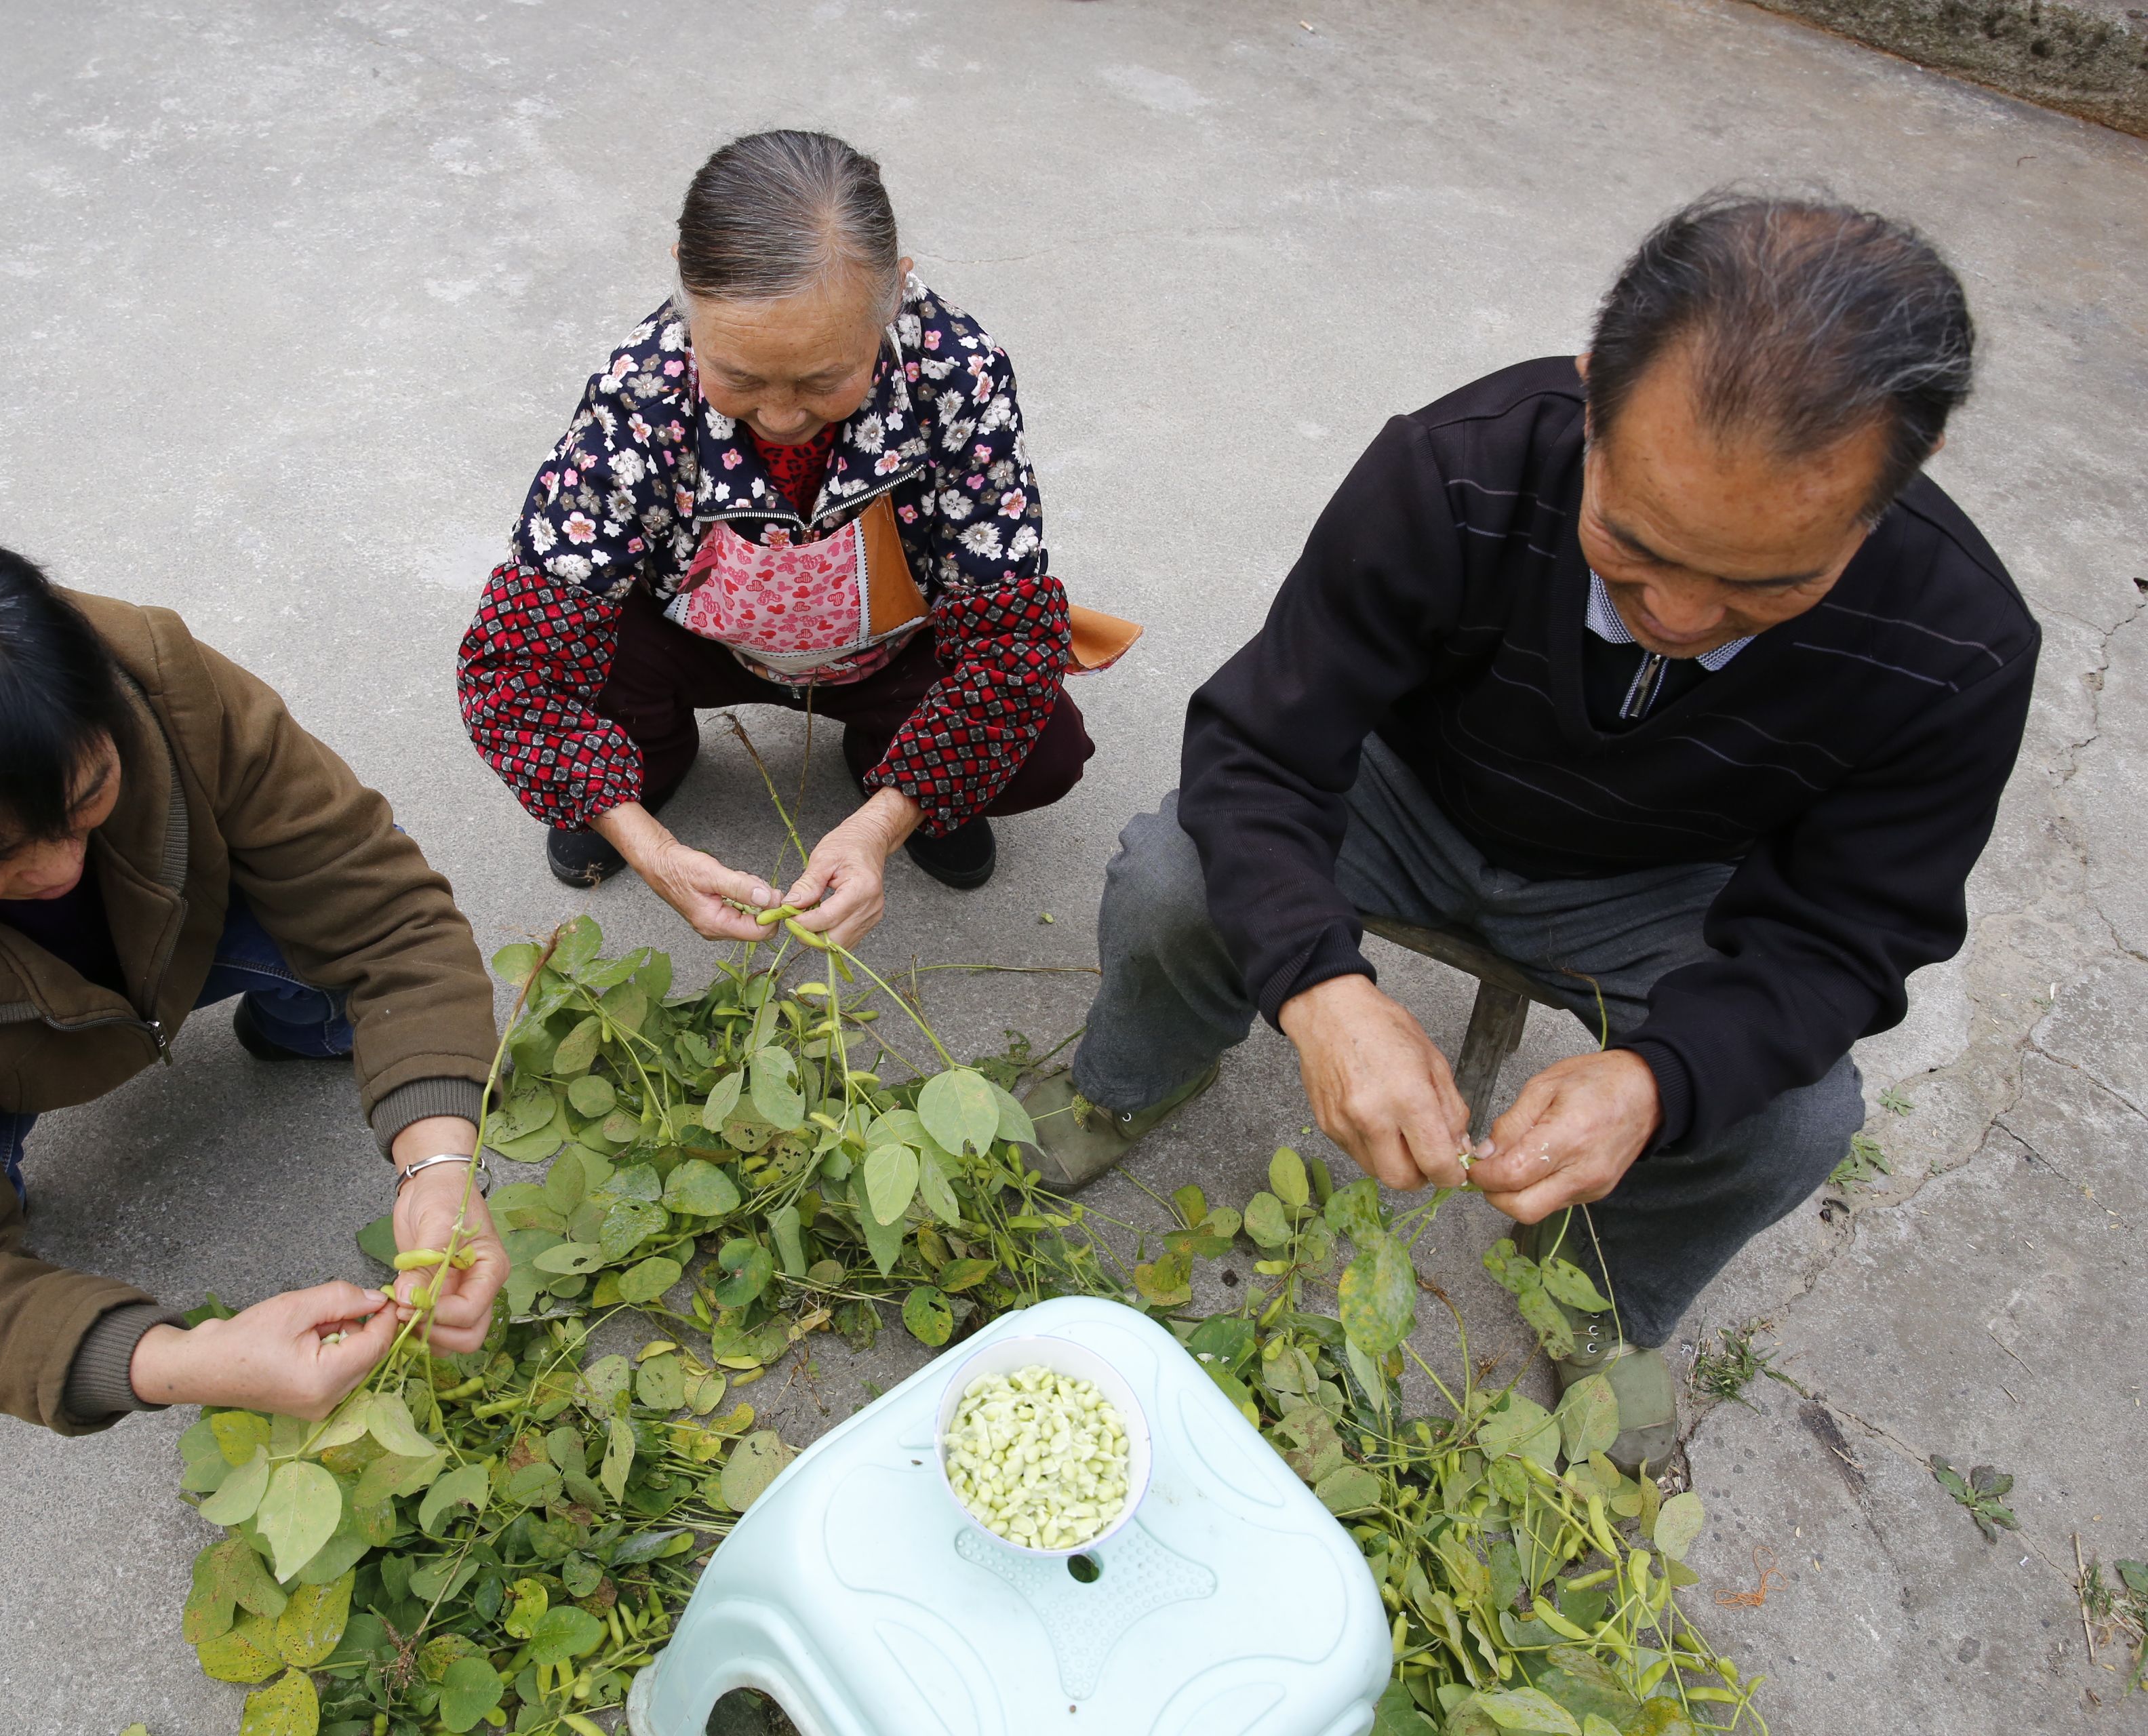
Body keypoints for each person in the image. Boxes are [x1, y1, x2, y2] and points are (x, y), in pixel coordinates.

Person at [1024, 195, 2037, 1469]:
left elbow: (1849, 937)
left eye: (1766, 585)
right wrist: (1320, 991)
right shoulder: (1459, 466)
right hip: (1407, 796)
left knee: (1795, 1119)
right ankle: (1131, 1078)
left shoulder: (1959, 646)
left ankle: (1601, 1279)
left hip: (1669, 884)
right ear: (1593, 390)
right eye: (1633, 543)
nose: (1679, 616)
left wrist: (1658, 1080)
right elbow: (1262, 749)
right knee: (1178, 877)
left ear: (1908, 470)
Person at [0, 521, 513, 1438]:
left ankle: (297, 1021)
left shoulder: (153, 678)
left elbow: (385, 916)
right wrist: (177, 1361)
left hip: (178, 940)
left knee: (396, 1015)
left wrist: (438, 1165)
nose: (59, 871)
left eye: (87, 800)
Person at [457, 129, 1109, 953]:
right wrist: (649, 847)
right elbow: (510, 668)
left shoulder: (960, 376)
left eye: (823, 379)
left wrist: (881, 825)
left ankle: (892, 764)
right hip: (696, 642)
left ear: (893, 294)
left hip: (888, 652)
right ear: (685, 288)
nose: (779, 415)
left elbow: (1008, 645)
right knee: (570, 653)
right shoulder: (642, 388)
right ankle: (648, 760)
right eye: (738, 377)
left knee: (1043, 747)